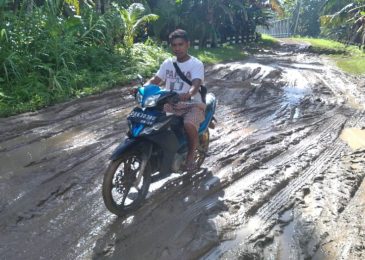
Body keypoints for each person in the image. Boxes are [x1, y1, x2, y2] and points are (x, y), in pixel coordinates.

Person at [144, 29, 206, 172]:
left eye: (180, 44)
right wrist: (143, 89)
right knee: (150, 120)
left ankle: (191, 155)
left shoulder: (196, 64)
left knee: (189, 124)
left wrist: (188, 94)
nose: (177, 48)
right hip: (169, 102)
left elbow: (196, 84)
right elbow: (155, 80)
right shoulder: (168, 63)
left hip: (191, 104)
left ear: (187, 44)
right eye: (174, 45)